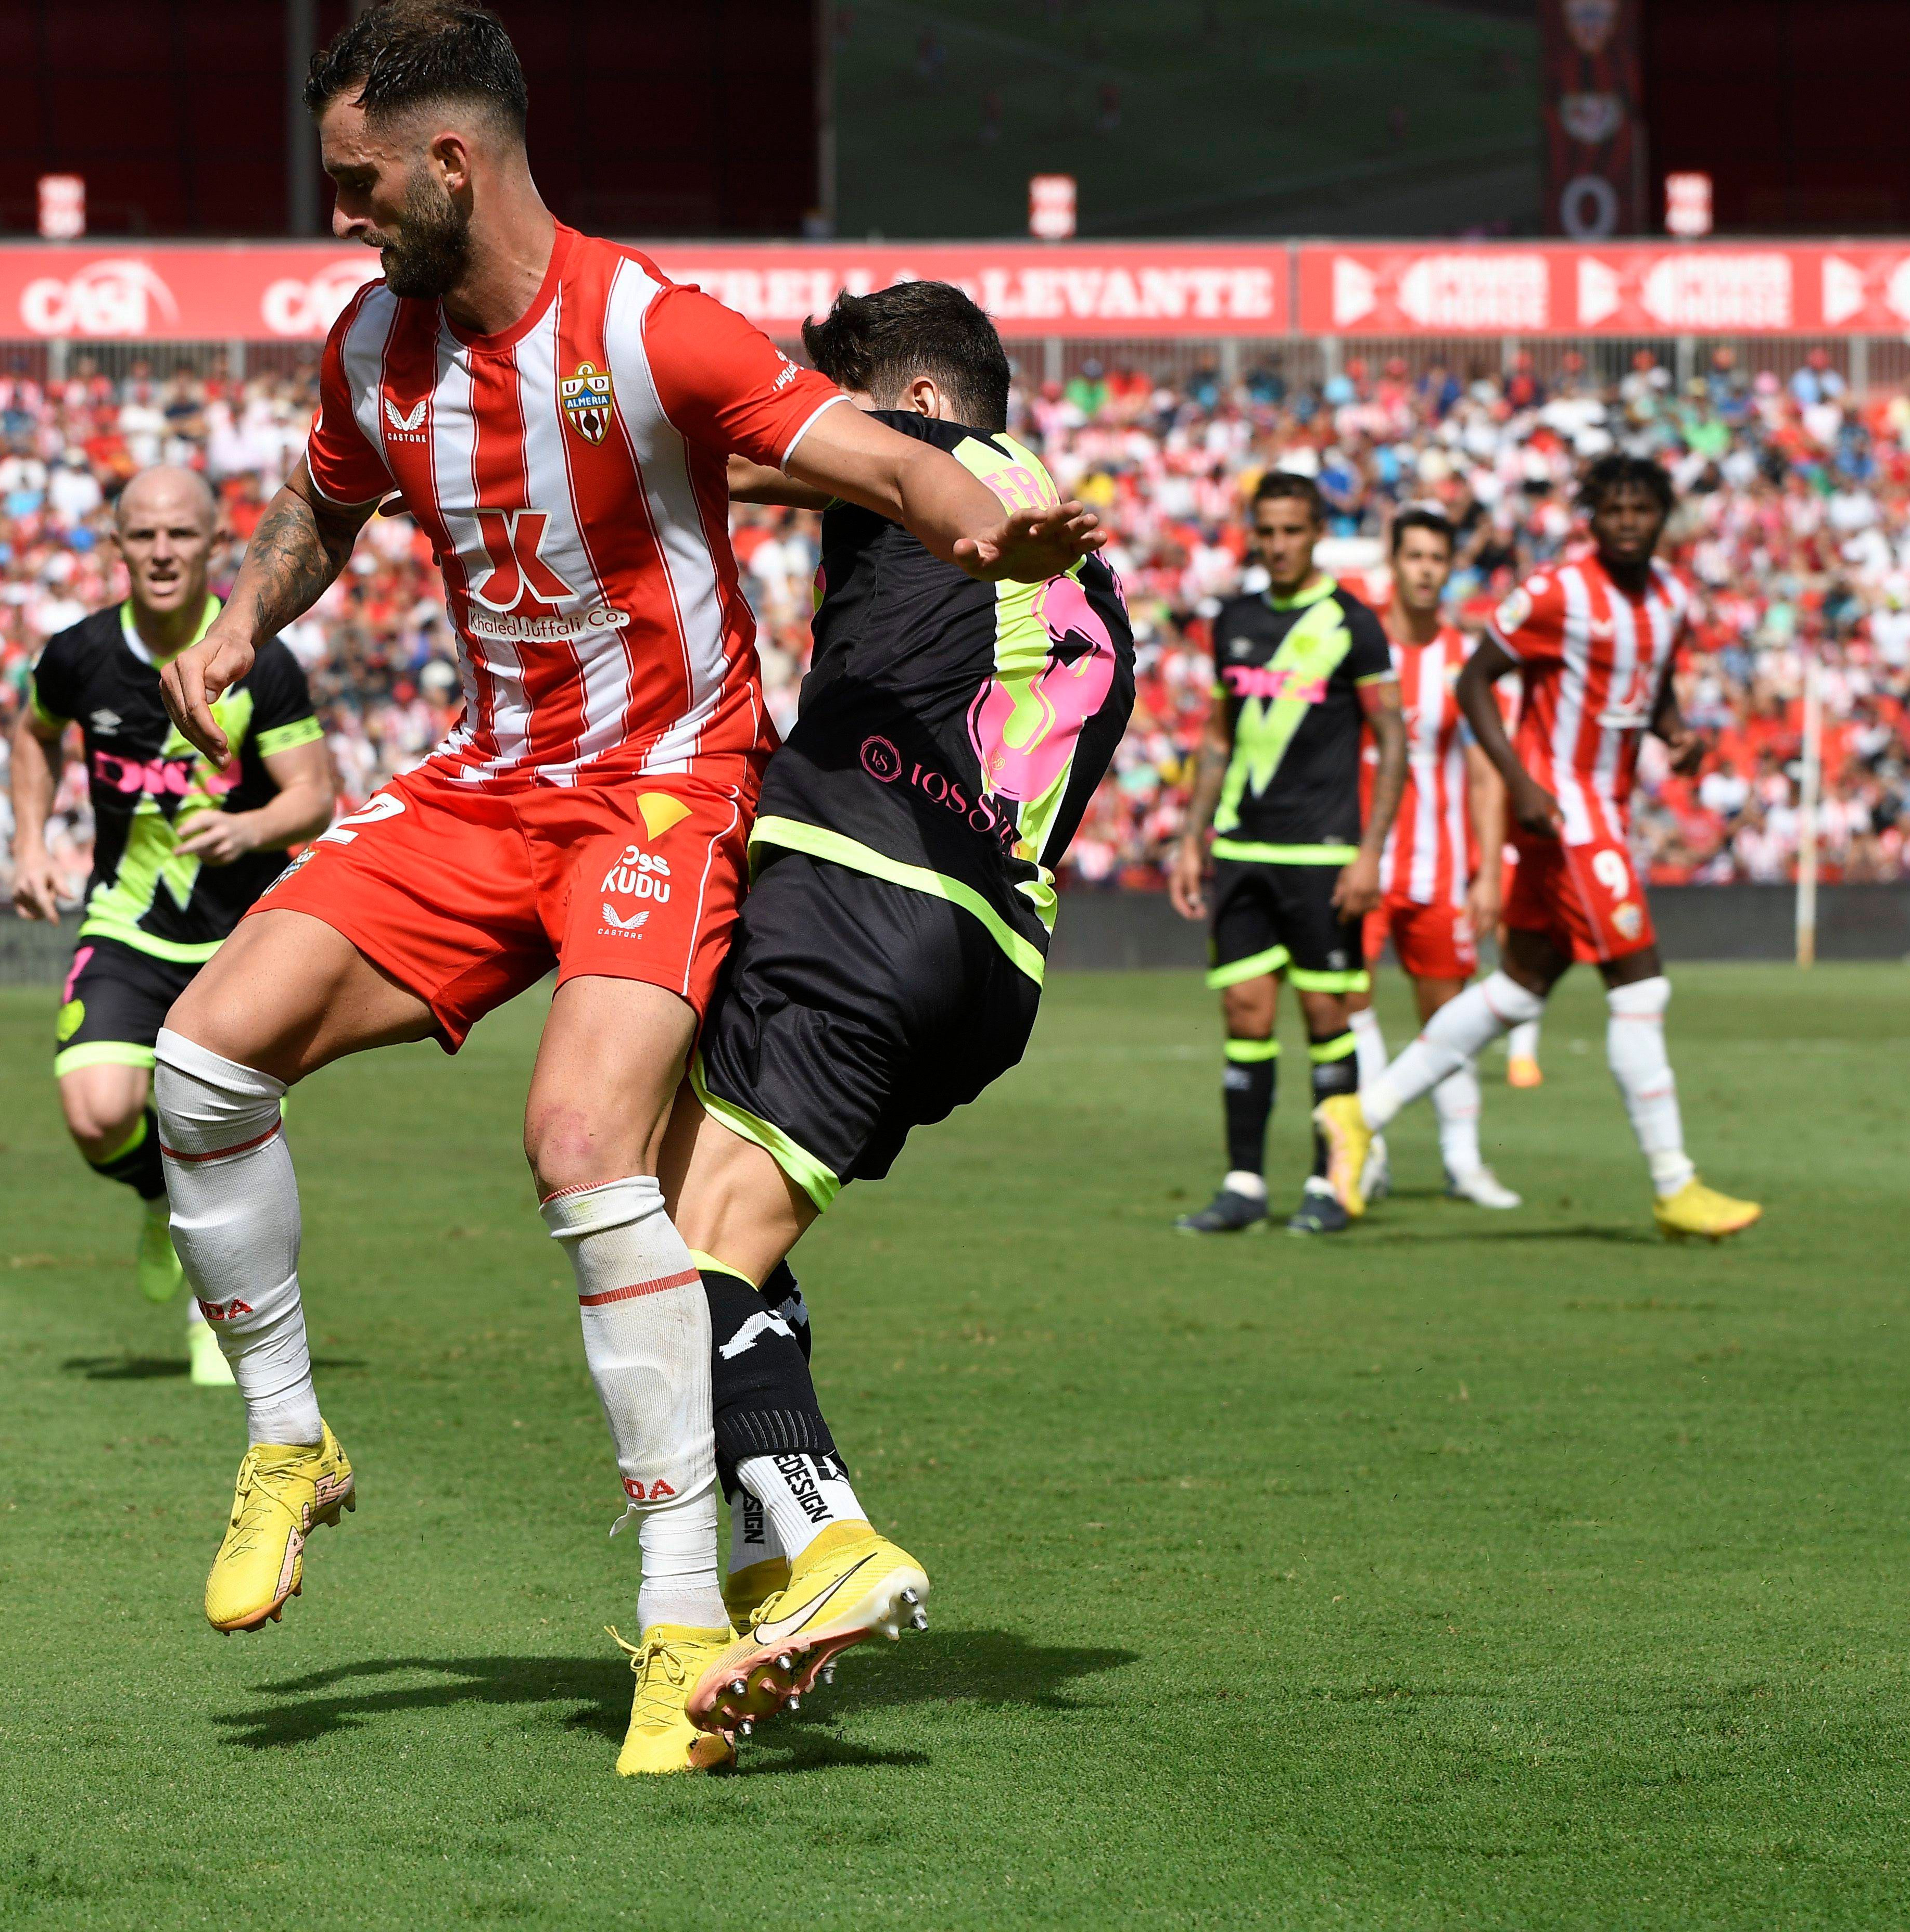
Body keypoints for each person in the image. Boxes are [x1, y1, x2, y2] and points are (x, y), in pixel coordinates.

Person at [145, 0, 1097, 1776]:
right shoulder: (370, 346)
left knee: (582, 1147)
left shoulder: (644, 323)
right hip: (487, 781)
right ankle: (287, 1442)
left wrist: (978, 520)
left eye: (356, 183)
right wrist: (236, 620)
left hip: (664, 786)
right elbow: (320, 509)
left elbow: (868, 451)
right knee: (197, 1063)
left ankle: (677, 1628)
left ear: (452, 162)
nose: (338, 216)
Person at [652, 281, 1128, 1744]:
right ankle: (769, 1556)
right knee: (684, 1195)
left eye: (836, 398)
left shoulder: (933, 463)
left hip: (862, 891)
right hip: (992, 967)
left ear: (912, 405)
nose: (816, 422)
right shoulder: (1085, 586)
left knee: (674, 1254)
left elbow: (720, 454)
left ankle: (824, 1537)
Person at [1318, 454, 1762, 1240]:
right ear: (1592, 517)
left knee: (1519, 989)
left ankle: (1361, 1113)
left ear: (1664, 518)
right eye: (1613, 510)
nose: (1628, 523)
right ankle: (1675, 1183)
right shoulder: (1558, 592)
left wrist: (1675, 735)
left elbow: (1649, 683)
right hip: (1564, 812)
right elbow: (1474, 681)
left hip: (1605, 808)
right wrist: (1521, 784)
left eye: (1642, 510)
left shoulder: (1671, 596)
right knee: (1640, 986)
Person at [8, 466, 336, 1382]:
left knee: (220, 1140)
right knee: (97, 1114)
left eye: (181, 535)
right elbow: (33, 733)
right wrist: (29, 841)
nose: (161, 553)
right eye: (144, 535)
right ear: (116, 546)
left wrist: (249, 828)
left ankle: (216, 1325)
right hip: (127, 926)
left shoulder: (261, 661)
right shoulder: (77, 655)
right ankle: (159, 1199)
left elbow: (313, 794)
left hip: (243, 944)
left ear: (214, 546)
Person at [1168, 474, 1407, 1236]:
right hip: (1242, 847)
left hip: (1323, 853)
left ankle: (1330, 1182)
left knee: (1327, 1014)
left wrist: (1370, 853)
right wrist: (1192, 837)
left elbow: (1394, 740)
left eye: (1292, 531)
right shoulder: (1233, 620)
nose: (1277, 546)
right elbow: (1217, 737)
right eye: (1266, 532)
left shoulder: (1352, 624)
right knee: (1244, 1011)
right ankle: (1243, 1184)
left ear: (1317, 533)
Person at [1338, 506, 1521, 1209]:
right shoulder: (1360, 647)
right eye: (1413, 556)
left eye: (1436, 559)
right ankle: (1370, 1154)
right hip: (1363, 862)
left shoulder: (1464, 664)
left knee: (1448, 1019)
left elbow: (1485, 776)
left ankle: (1463, 1161)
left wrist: (1488, 873)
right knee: (1351, 1005)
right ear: (1394, 562)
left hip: (1440, 870)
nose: (1424, 570)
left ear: (1449, 569)